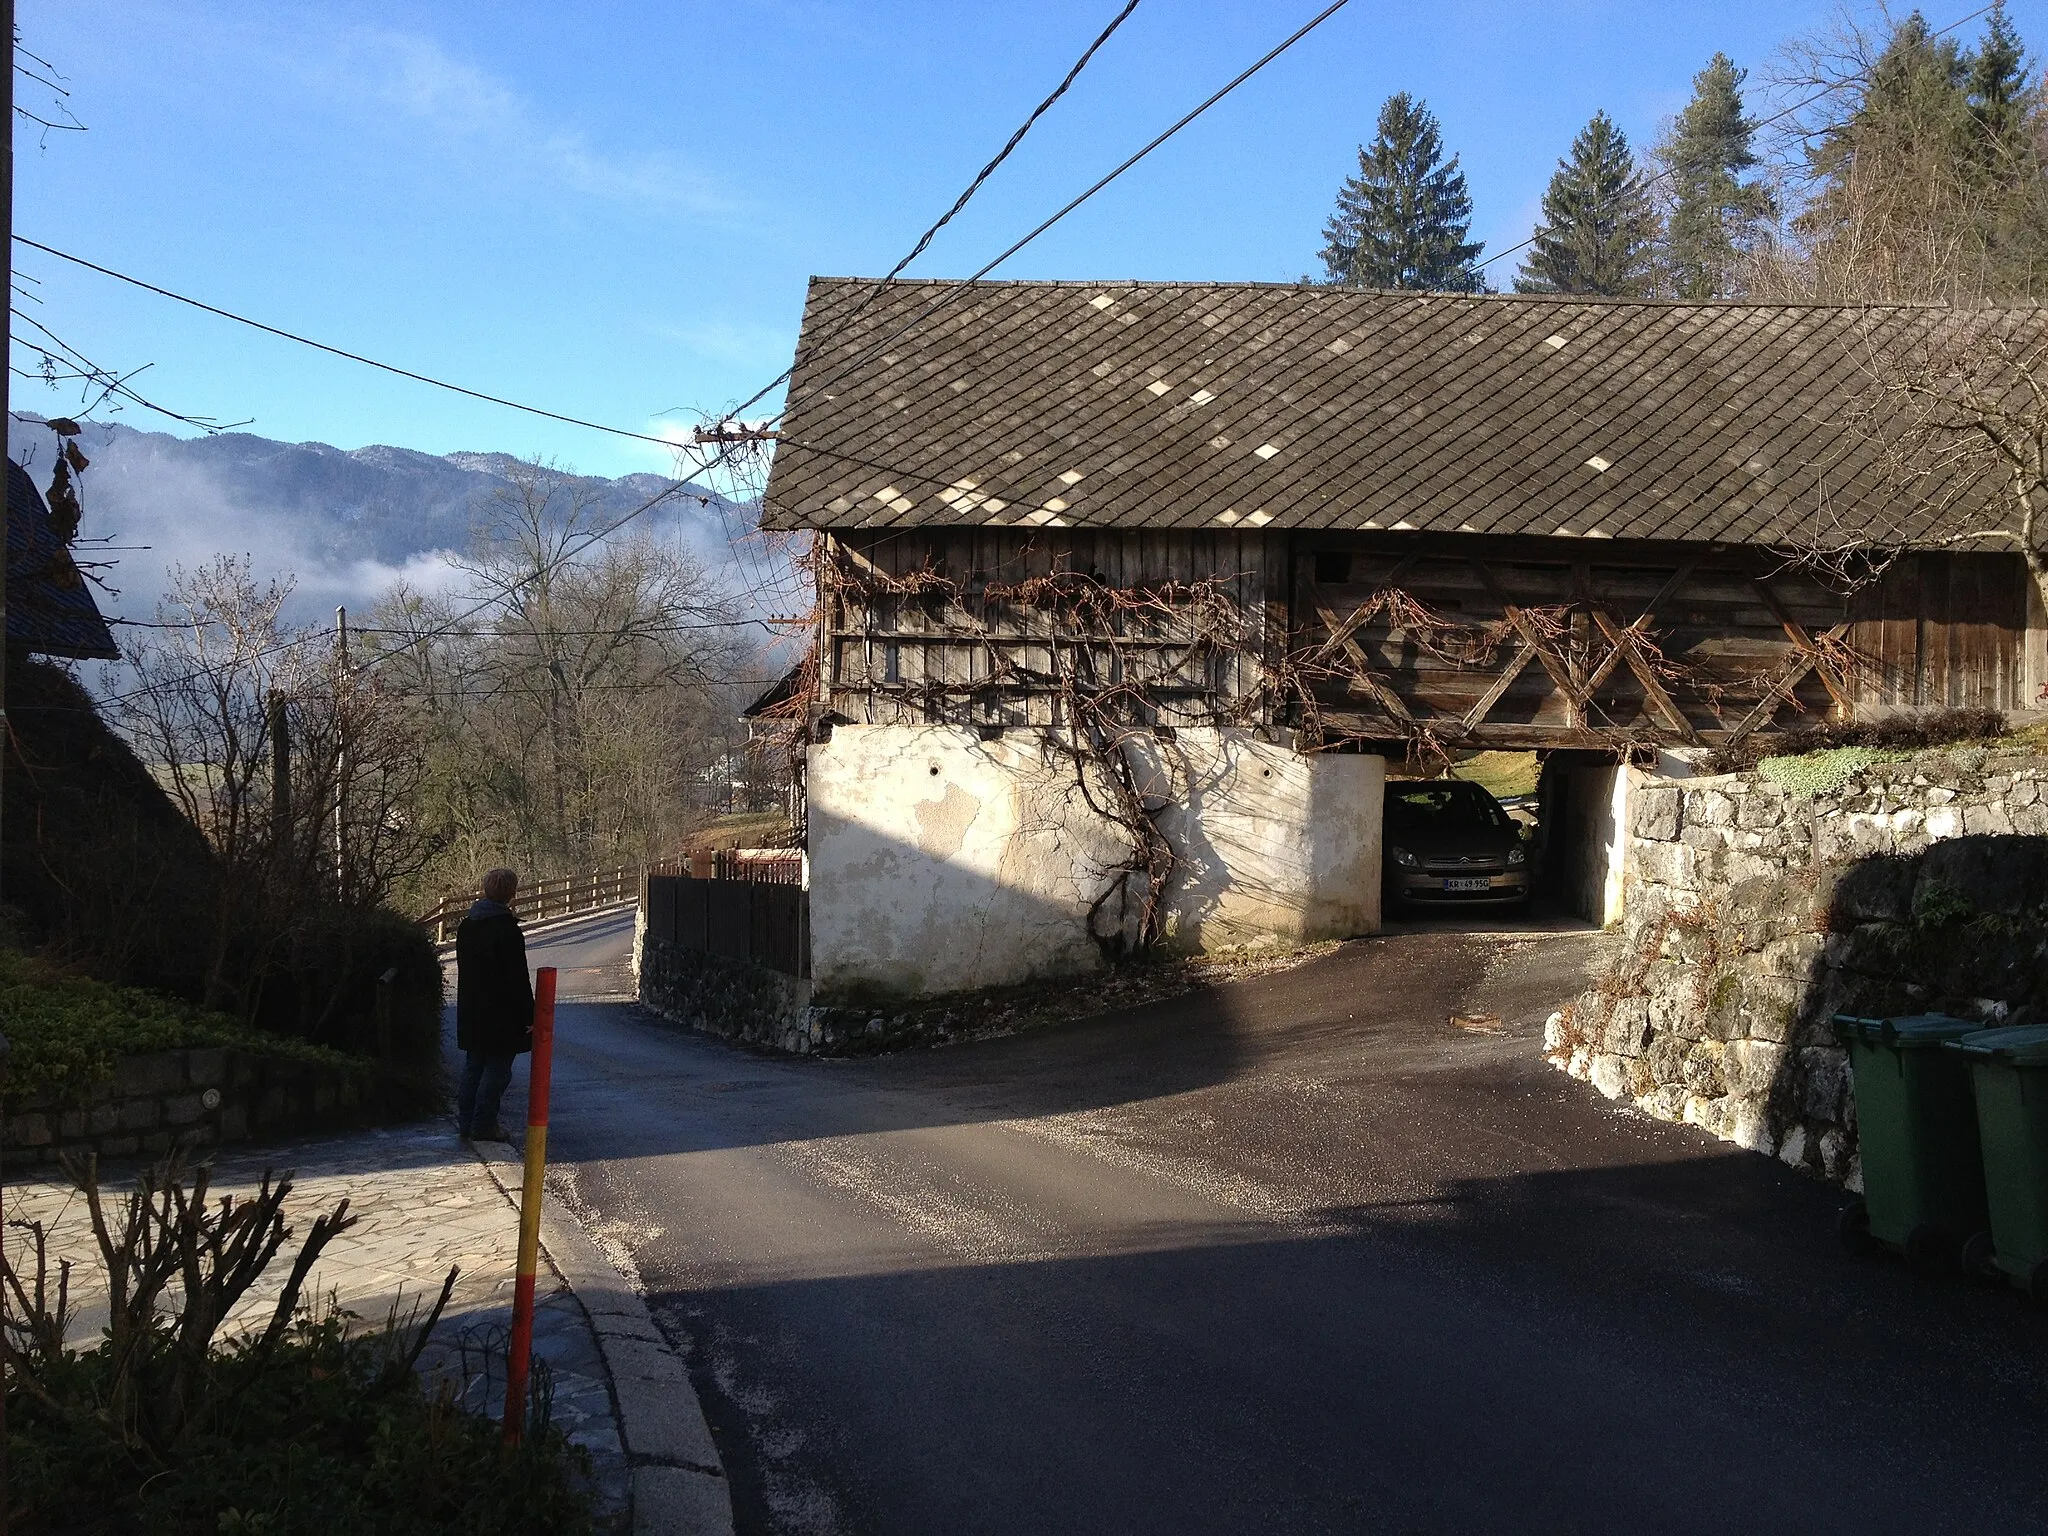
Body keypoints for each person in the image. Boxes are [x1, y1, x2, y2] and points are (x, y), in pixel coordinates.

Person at [455, 866, 533, 1143]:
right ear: (511, 893)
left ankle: (465, 1122)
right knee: (497, 1071)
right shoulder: (507, 930)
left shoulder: (467, 927)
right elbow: (517, 978)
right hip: (502, 1012)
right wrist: (529, 1013)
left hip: (471, 1008)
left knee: (473, 1066)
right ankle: (484, 1124)